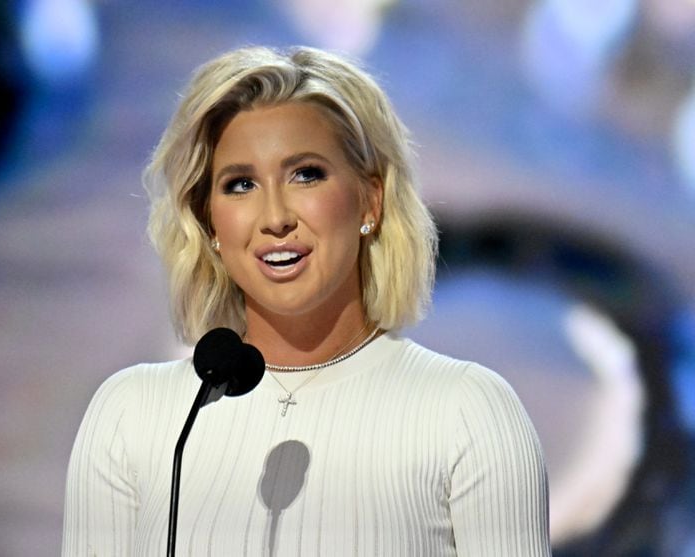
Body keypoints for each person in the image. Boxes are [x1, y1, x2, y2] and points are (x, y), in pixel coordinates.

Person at [62, 45, 551, 556]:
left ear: (370, 199)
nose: (274, 217)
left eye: (306, 174)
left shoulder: (467, 413)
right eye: (240, 184)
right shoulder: (133, 415)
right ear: (209, 224)